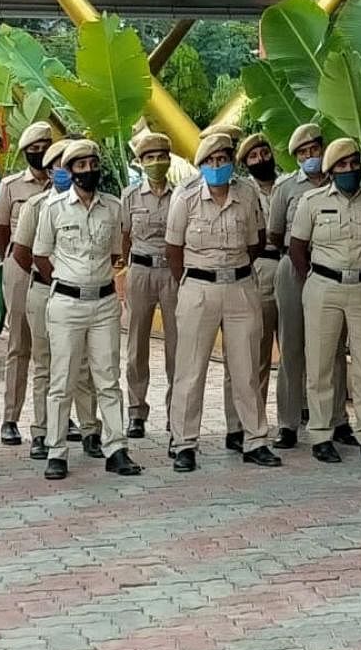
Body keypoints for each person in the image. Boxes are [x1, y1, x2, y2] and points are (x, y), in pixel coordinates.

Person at [165, 133, 282, 472]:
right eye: (210, 162)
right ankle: (185, 442)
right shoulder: (185, 196)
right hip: (199, 288)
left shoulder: (246, 194)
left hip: (241, 285)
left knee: (247, 367)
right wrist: (194, 281)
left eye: (223, 159)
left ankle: (254, 439)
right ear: (201, 166)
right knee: (190, 369)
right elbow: (173, 251)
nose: (217, 166)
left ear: (232, 161)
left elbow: (257, 241)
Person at [33, 139, 142, 479]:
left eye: (93, 165)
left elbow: (116, 251)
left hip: (105, 301)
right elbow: (40, 254)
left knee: (107, 378)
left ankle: (116, 448)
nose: (89, 171)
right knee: (62, 379)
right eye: (81, 166)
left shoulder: (112, 207)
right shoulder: (53, 209)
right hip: (66, 302)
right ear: (70, 171)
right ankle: (56, 451)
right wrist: (67, 281)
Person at [290, 138, 361, 463]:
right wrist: (314, 276)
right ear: (331, 170)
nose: (349, 170)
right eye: (342, 165)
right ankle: (322, 434)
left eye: (353, 163)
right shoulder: (311, 202)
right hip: (324, 287)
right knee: (320, 364)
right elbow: (297, 247)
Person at [267, 123, 351, 450]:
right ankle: (287, 423)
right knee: (291, 346)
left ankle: (337, 419)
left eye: (314, 150)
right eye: (303, 153)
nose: (310, 157)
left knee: (333, 347)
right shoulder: (286, 188)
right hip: (295, 269)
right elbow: (275, 233)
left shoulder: (342, 181)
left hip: (333, 271)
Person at [220, 133, 281, 451]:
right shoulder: (241, 192)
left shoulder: (288, 185)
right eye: (253, 157)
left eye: (264, 152)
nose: (261, 159)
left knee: (293, 353)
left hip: (291, 268)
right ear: (245, 164)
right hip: (256, 268)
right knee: (248, 354)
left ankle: (288, 423)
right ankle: (238, 425)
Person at [0, 121, 53, 446]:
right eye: (34, 150)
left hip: (55, 271)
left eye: (45, 147)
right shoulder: (11, 186)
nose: (40, 153)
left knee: (57, 347)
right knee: (19, 345)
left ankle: (55, 415)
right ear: (26, 152)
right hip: (20, 269)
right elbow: (1, 231)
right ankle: (10, 418)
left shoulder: (63, 182)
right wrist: (17, 259)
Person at [120, 131, 177, 439]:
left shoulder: (180, 194)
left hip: (172, 273)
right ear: (140, 162)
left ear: (169, 159)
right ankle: (136, 412)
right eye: (149, 158)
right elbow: (124, 238)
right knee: (137, 344)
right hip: (140, 271)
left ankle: (175, 411)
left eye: (161, 156)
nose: (156, 162)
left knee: (177, 346)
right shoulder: (129, 197)